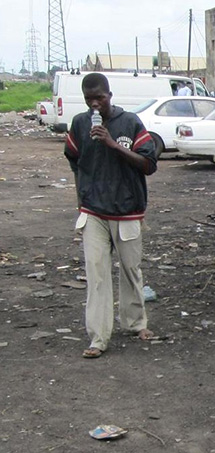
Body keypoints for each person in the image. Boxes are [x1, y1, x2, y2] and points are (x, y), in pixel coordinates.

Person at [64, 72, 157, 359]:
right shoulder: (80, 124)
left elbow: (148, 165)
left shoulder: (129, 123)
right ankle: (98, 337)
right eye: (89, 99)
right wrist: (83, 196)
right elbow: (74, 160)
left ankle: (135, 323)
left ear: (109, 96)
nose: (94, 105)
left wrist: (113, 144)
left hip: (127, 210)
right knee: (97, 274)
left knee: (130, 271)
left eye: (99, 99)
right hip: (93, 211)